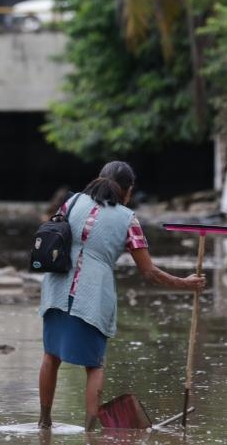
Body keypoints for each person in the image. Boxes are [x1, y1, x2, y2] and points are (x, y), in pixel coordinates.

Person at [38, 160, 205, 431]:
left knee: (50, 355)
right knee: (94, 365)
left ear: (98, 180)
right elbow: (148, 271)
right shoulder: (128, 219)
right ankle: (89, 433)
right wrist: (185, 284)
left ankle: (44, 422)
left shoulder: (71, 203)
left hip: (56, 287)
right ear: (128, 190)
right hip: (92, 296)